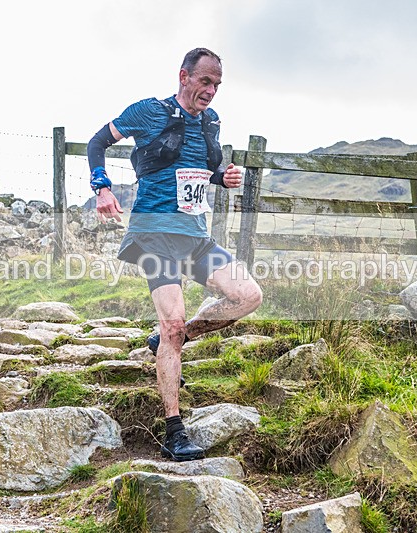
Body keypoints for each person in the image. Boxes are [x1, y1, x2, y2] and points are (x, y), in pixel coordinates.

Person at [86, 48, 262, 462]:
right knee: (172, 323)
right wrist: (102, 187)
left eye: (217, 85)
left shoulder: (211, 121)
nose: (211, 91)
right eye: (205, 81)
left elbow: (196, 172)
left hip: (195, 237)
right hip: (155, 236)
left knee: (249, 295)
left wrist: (222, 178)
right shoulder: (149, 111)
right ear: (184, 77)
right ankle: (174, 431)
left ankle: (172, 339)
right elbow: (97, 142)